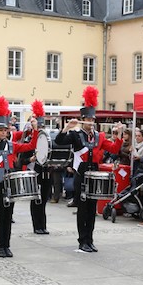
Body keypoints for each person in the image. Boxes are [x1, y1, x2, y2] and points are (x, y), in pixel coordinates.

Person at [54, 86, 122, 251]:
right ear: (83, 119)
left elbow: (113, 149)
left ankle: (90, 239)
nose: (91, 122)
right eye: (88, 119)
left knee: (92, 210)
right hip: (81, 176)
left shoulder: (100, 136)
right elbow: (59, 141)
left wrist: (119, 136)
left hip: (94, 175)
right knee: (83, 209)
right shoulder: (76, 135)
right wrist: (66, 128)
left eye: (93, 120)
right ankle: (82, 240)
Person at [0, 95, 38, 257]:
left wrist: (36, 130)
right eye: (1, 130)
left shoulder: (12, 145)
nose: (4, 132)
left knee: (9, 214)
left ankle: (7, 244)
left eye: (6, 130)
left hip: (10, 183)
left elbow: (31, 145)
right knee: (0, 213)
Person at [19, 100, 49, 234]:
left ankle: (43, 225)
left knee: (44, 200)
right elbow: (21, 160)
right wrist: (30, 159)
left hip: (46, 172)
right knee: (36, 200)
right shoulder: (28, 140)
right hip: (34, 171)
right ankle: (37, 226)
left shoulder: (47, 139)